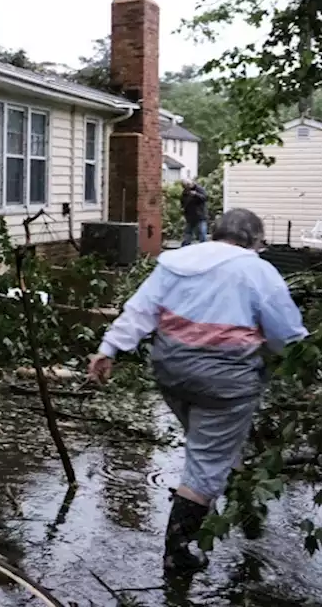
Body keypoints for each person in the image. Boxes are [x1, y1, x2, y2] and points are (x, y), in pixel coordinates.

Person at [87, 209, 306, 575]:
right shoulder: (258, 271)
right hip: (224, 383)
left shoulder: (178, 261)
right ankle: (179, 552)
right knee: (206, 460)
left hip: (172, 374)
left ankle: (234, 487)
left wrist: (108, 348)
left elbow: (141, 310)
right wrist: (306, 365)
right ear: (255, 240)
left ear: (215, 233)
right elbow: (286, 335)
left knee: (210, 444)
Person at [180, 180, 208, 246]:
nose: (187, 187)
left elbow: (205, 198)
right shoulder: (185, 192)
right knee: (188, 232)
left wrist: (196, 194)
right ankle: (185, 247)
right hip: (190, 216)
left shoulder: (199, 189)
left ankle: (204, 246)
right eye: (185, 186)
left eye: (187, 185)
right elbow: (183, 201)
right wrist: (183, 209)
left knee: (202, 232)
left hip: (200, 215)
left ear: (191, 183)